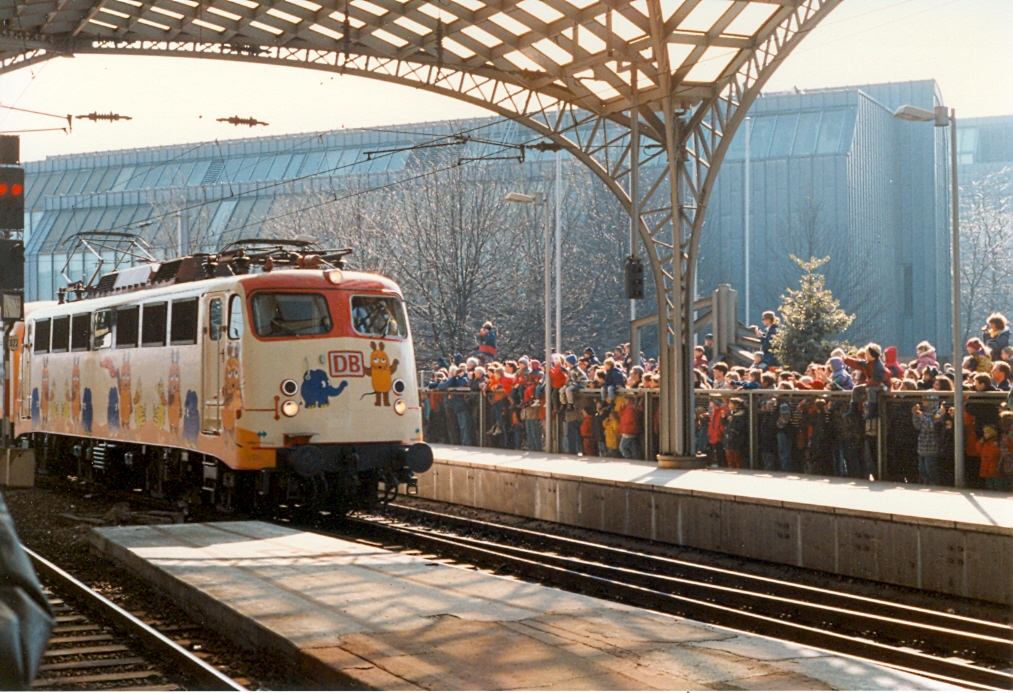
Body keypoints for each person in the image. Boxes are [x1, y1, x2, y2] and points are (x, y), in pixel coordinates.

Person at [912, 397, 942, 486]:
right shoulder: (924, 412)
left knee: (930, 468)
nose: (923, 401)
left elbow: (933, 427)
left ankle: (935, 485)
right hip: (922, 444)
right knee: (922, 469)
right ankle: (926, 484)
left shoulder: (938, 413)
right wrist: (915, 416)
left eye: (926, 399)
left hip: (932, 444)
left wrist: (923, 418)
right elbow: (918, 426)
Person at [723, 397, 748, 468]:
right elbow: (726, 425)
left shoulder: (741, 416)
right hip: (729, 438)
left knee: (737, 457)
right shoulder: (731, 415)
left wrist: (732, 421)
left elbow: (739, 427)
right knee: (729, 456)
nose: (729, 406)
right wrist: (724, 419)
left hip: (736, 439)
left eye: (731, 404)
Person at [978, 424, 1003, 491]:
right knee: (989, 483)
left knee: (997, 483)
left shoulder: (995, 443)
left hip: (993, 466)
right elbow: (979, 451)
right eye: (984, 432)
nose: (985, 434)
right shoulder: (985, 443)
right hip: (986, 466)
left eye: (987, 432)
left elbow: (995, 453)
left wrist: (987, 457)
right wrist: (979, 444)